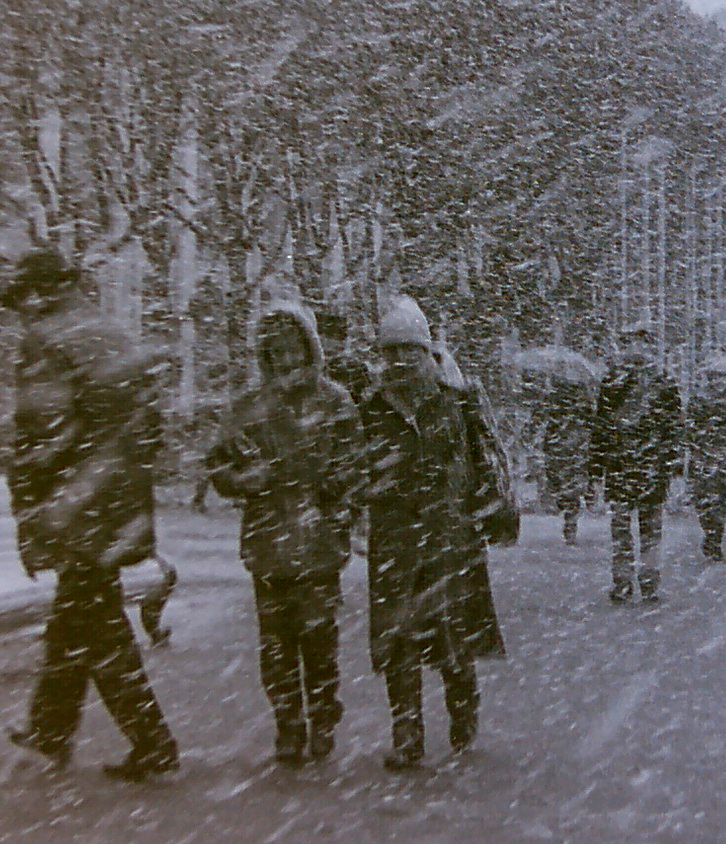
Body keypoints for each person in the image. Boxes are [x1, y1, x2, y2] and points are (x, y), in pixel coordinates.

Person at [0, 247, 181, 783]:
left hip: (73, 506)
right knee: (74, 617)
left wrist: (29, 510)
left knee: (98, 628)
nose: (21, 314)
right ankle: (50, 728)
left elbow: (39, 435)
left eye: (23, 301)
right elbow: (148, 426)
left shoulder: (46, 342)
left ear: (37, 295)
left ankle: (153, 742)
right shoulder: (109, 333)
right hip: (115, 503)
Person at [208, 302, 364, 765]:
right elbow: (219, 464)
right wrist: (243, 480)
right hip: (268, 546)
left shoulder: (335, 401)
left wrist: (335, 488)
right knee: (276, 646)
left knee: (318, 642)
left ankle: (322, 717)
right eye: (275, 352)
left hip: (318, 545)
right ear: (266, 356)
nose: (286, 360)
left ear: (308, 348)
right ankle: (289, 724)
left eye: (293, 349)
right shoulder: (248, 407)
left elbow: (356, 459)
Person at [360, 296, 493, 768]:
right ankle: (407, 731)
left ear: (427, 352)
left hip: (447, 537)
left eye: (408, 351)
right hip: (394, 539)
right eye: (390, 351)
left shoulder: (455, 400)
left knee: (451, 635)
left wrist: (486, 510)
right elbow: (358, 469)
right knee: (398, 641)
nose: (399, 361)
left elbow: (481, 461)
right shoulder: (371, 406)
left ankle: (463, 708)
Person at [591, 322, 682, 603]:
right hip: (643, 466)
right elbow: (674, 429)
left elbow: (602, 428)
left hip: (628, 465)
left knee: (627, 529)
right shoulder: (660, 383)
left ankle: (627, 581)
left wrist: (596, 467)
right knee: (644, 529)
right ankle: (644, 580)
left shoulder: (619, 382)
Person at [434, 339, 511, 663]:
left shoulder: (462, 406)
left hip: (456, 530)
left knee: (458, 636)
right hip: (444, 531)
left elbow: (485, 462)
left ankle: (463, 703)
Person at [686, 356, 726, 561]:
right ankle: (711, 532)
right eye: (713, 376)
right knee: (705, 499)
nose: (716, 381)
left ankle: (715, 535)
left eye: (720, 376)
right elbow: (690, 426)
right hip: (707, 455)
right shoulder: (700, 398)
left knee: (721, 498)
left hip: (722, 455)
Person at [538, 373, 595, 545]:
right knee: (573, 487)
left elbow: (548, 427)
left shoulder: (555, 403)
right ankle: (571, 517)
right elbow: (591, 423)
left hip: (562, 451)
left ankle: (569, 514)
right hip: (574, 450)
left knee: (565, 485)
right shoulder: (582, 404)